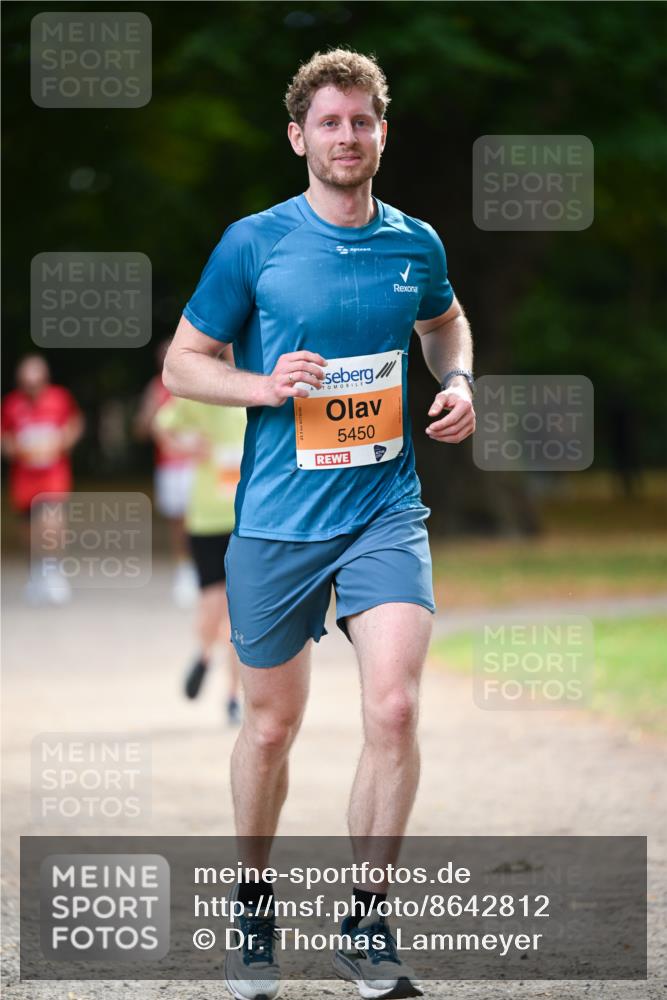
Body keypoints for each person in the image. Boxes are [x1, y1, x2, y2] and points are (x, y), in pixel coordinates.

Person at [163, 48, 475, 1000]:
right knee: (269, 728)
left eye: (362, 121)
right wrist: (261, 385)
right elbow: (183, 363)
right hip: (277, 520)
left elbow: (443, 323)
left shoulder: (415, 244)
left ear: (383, 131)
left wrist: (457, 378)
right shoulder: (253, 243)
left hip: (384, 508)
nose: (347, 137)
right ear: (300, 137)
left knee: (393, 707)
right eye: (330, 123)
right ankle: (252, 907)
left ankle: (366, 924)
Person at [153, 383, 246, 725]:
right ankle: (205, 653)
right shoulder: (198, 395)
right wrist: (187, 449)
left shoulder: (259, 391)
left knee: (240, 614)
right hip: (206, 519)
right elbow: (160, 426)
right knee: (212, 607)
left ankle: (233, 697)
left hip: (245, 520)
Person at [1, 354, 84, 605]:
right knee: (28, 531)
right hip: (25, 477)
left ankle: (54, 570)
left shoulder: (59, 398)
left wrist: (64, 441)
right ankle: (35, 573)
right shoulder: (11, 404)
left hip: (53, 475)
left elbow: (75, 423)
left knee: (53, 521)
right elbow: (5, 436)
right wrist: (13, 449)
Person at [134, 338, 198, 608]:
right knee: (178, 521)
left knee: (203, 518)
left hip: (198, 463)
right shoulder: (155, 388)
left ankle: (206, 568)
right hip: (170, 466)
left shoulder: (197, 384)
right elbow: (140, 431)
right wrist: (151, 410)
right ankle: (185, 570)